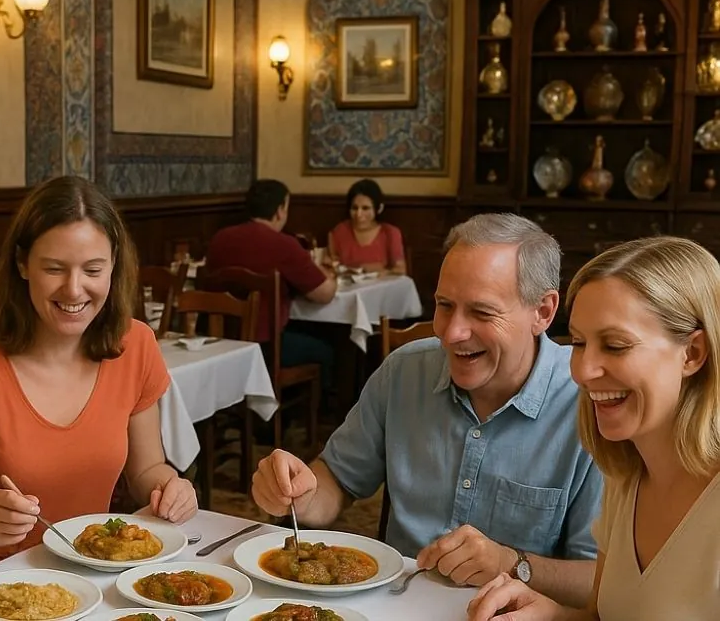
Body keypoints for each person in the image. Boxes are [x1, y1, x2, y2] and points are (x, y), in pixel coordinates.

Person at [251, 213, 603, 608]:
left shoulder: (591, 406)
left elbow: (603, 581)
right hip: (389, 607)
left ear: (543, 311)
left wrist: (513, 563)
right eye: (444, 305)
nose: (451, 333)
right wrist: (299, 493)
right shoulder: (404, 372)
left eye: (482, 313)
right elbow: (337, 480)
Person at [0, 176, 197, 572]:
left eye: (93, 269)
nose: (74, 290)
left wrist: (170, 488)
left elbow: (145, 470)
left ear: (113, 267)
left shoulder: (135, 344)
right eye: (54, 269)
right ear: (22, 264)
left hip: (92, 577)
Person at [467, 236, 720, 621]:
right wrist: (552, 615)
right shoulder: (625, 474)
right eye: (580, 343)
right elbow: (603, 614)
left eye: (616, 345)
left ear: (693, 353)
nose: (582, 371)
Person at [204, 179, 337, 376]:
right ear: (280, 210)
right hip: (265, 345)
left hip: (220, 340)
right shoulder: (285, 244)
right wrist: (332, 275)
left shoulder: (220, 238)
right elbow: (324, 294)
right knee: (328, 351)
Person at [327, 178, 406, 274]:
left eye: (365, 208)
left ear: (379, 209)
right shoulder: (340, 231)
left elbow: (401, 270)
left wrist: (379, 271)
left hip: (382, 287)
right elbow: (332, 265)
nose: (359, 214)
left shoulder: (390, 233)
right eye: (354, 208)